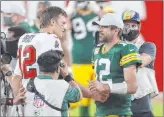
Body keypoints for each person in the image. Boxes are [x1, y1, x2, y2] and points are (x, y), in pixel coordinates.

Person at [88, 13, 142, 116]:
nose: (100, 29)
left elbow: (132, 87)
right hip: (100, 111)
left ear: (116, 30)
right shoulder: (96, 50)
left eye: (104, 27)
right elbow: (99, 81)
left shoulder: (126, 49)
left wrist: (106, 87)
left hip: (119, 112)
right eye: (100, 26)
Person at [11, 6, 67, 100]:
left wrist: (17, 99)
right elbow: (58, 74)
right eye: (62, 23)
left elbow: (16, 76)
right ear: (52, 22)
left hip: (27, 98)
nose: (64, 28)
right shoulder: (52, 39)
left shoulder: (24, 38)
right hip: (45, 98)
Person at [21, 50, 82, 116]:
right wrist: (67, 76)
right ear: (58, 69)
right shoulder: (62, 87)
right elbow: (78, 95)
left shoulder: (27, 84)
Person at [122, 10, 158, 117]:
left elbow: (143, 60)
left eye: (133, 25)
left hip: (141, 100)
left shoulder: (148, 46)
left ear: (139, 26)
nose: (130, 28)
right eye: (127, 25)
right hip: (121, 98)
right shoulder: (117, 46)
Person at [68, 1, 99, 116]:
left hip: (96, 60)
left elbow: (109, 23)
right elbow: (64, 25)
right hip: (80, 61)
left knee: (101, 94)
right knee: (83, 98)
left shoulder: (96, 15)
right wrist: (70, 10)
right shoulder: (73, 16)